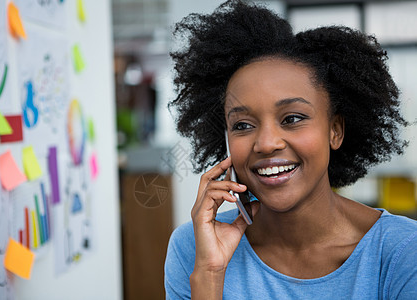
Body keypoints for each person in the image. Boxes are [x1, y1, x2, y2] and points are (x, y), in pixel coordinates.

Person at [164, 1, 417, 299]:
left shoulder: (401, 252)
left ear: (335, 130)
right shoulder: (194, 248)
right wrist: (209, 274)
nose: (267, 143)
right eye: (243, 125)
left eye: (292, 119)